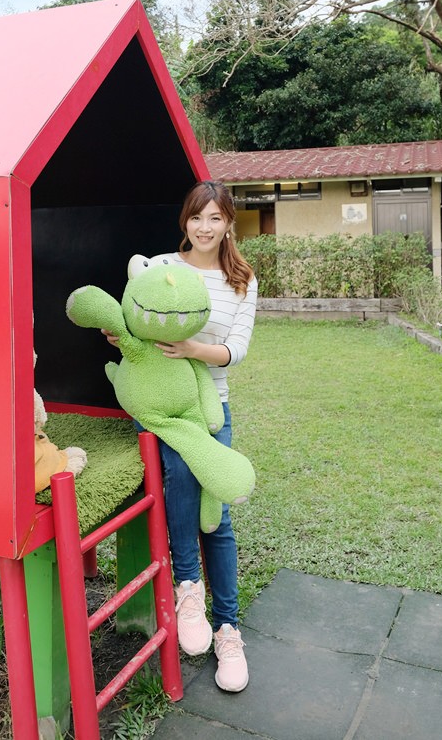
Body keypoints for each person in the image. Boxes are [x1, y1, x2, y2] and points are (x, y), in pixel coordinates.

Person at [104, 180, 257, 692]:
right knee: (181, 492)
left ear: (229, 222)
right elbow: (134, 317)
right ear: (185, 221)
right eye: (197, 217)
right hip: (166, 408)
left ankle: (229, 629)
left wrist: (194, 350)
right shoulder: (160, 267)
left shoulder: (242, 280)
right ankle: (189, 589)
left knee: (220, 513)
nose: (206, 227)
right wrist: (120, 331)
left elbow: (237, 349)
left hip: (214, 405)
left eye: (216, 218)